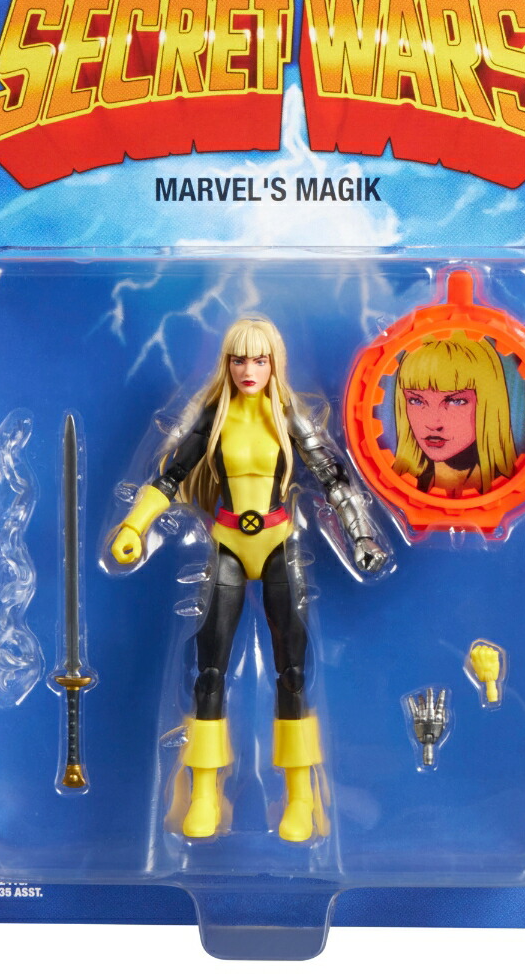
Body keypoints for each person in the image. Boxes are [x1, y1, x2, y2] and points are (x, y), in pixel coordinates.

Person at [111, 317, 385, 842]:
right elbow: (169, 476)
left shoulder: (289, 415)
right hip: (229, 544)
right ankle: (204, 794)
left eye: (260, 359)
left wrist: (362, 537)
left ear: (274, 362)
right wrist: (133, 526)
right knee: (209, 672)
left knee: (293, 673)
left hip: (279, 542)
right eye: (239, 359)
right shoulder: (214, 416)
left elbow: (333, 478)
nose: (249, 369)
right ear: (227, 363)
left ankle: (300, 797)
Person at [392, 333, 517, 496]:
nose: (433, 423)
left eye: (455, 401)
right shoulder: (395, 486)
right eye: (416, 400)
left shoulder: (511, 487)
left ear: (487, 403)